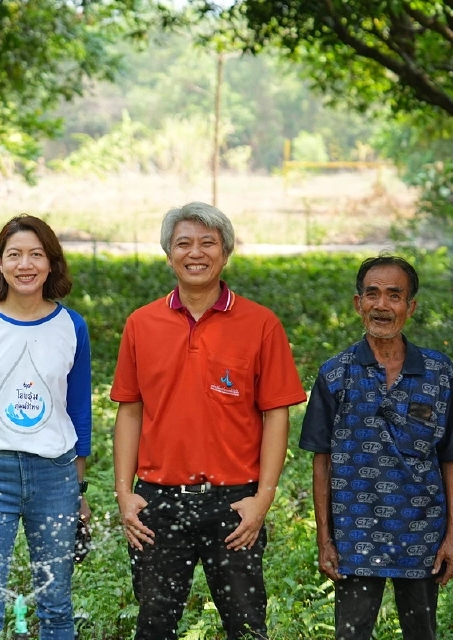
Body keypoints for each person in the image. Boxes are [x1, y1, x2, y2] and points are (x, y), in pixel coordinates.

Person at [111, 202, 307, 640]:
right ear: (168, 254)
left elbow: (276, 416)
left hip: (234, 504)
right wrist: (125, 494)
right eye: (183, 243)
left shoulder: (261, 324)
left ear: (225, 252)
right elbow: (129, 410)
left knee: (247, 624)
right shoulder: (142, 323)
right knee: (154, 626)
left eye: (207, 243)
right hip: (157, 503)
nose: (195, 253)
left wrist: (263, 500)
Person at [299, 255, 453, 640]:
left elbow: (452, 459)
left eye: (394, 296)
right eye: (372, 294)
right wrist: (324, 539)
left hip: (422, 537)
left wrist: (452, 538)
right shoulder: (335, 373)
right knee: (351, 633)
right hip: (354, 541)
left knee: (421, 632)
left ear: (410, 307)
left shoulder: (439, 372)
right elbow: (321, 462)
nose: (382, 305)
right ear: (357, 303)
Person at [0, 214, 93, 640]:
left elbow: (79, 415)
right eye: (14, 255)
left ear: (51, 263)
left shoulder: (72, 327)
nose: (25, 265)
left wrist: (78, 493)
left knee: (57, 607)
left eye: (36, 254)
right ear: (0, 263)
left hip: (55, 478)